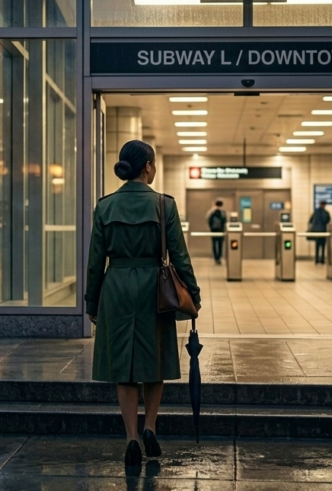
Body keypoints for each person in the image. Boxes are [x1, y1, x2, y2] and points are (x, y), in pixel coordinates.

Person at [85, 140, 201, 470]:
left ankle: (131, 437)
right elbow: (179, 255)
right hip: (154, 287)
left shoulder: (105, 207)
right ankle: (150, 426)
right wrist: (192, 293)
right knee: (155, 359)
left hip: (117, 286)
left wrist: (92, 302)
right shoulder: (164, 205)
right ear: (148, 166)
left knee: (123, 365)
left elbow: (95, 262)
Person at [308, 200, 331, 264]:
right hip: (323, 231)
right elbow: (326, 220)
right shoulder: (325, 212)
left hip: (316, 231)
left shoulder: (316, 212)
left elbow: (310, 220)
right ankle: (322, 260)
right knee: (323, 246)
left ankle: (316, 259)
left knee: (317, 245)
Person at [206, 200, 227, 264]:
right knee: (220, 244)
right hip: (221, 231)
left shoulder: (211, 211)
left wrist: (211, 228)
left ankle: (216, 258)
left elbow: (207, 219)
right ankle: (219, 257)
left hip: (214, 230)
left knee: (214, 244)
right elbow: (225, 220)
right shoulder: (223, 212)